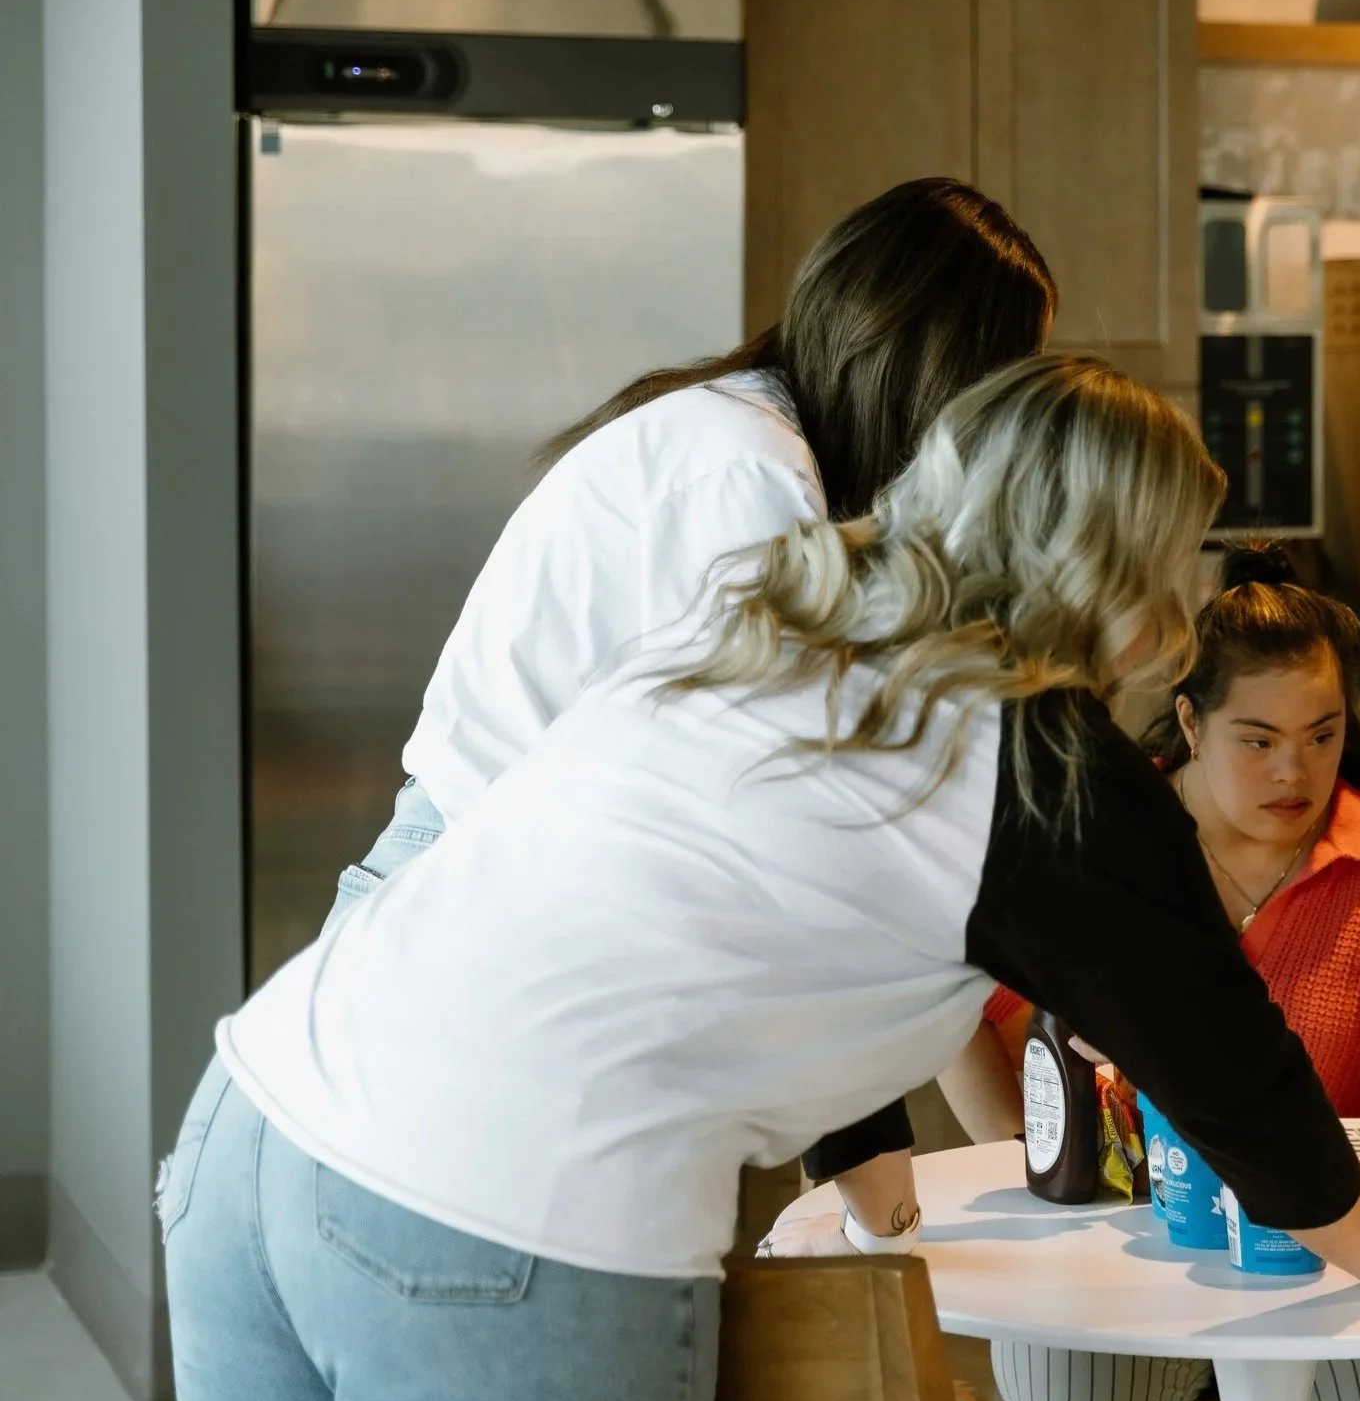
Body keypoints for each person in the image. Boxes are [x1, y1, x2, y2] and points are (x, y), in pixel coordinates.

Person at [162, 357, 1360, 1401]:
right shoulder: (1040, 761)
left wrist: (865, 1180)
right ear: (1122, 565)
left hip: (261, 1117)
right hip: (495, 1207)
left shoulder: (774, 608)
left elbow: (728, 904)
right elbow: (1230, 1070)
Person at [337, 175, 1055, 1194]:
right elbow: (786, 838)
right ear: (930, 379)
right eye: (996, 392)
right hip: (468, 935)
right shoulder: (746, 477)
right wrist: (874, 1185)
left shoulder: (744, 442)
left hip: (486, 922)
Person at [952, 546, 1360, 1401]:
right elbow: (968, 1023)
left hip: (1328, 1226)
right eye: (1258, 741)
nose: (1295, 773)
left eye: (1321, 736)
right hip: (1113, 1238)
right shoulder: (1100, 848)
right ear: (1190, 721)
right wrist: (1040, 1171)